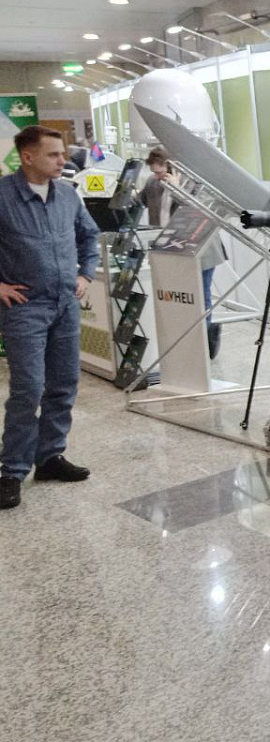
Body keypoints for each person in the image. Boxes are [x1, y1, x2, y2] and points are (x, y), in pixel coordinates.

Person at [0, 125, 100, 510]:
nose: (63, 161)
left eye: (63, 154)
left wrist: (85, 274)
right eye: (54, 154)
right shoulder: (3, 196)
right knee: (29, 388)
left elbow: (89, 237)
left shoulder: (67, 195)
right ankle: (12, 470)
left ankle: (50, 457)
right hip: (25, 307)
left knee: (63, 384)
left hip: (65, 305)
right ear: (28, 157)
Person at [139, 146, 227, 358]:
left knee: (201, 298)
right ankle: (189, 341)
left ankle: (202, 345)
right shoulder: (153, 182)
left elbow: (198, 213)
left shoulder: (194, 183)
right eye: (154, 172)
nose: (157, 176)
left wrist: (178, 190)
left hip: (202, 252)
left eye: (160, 172)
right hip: (172, 252)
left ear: (172, 168)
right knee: (179, 299)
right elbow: (140, 200)